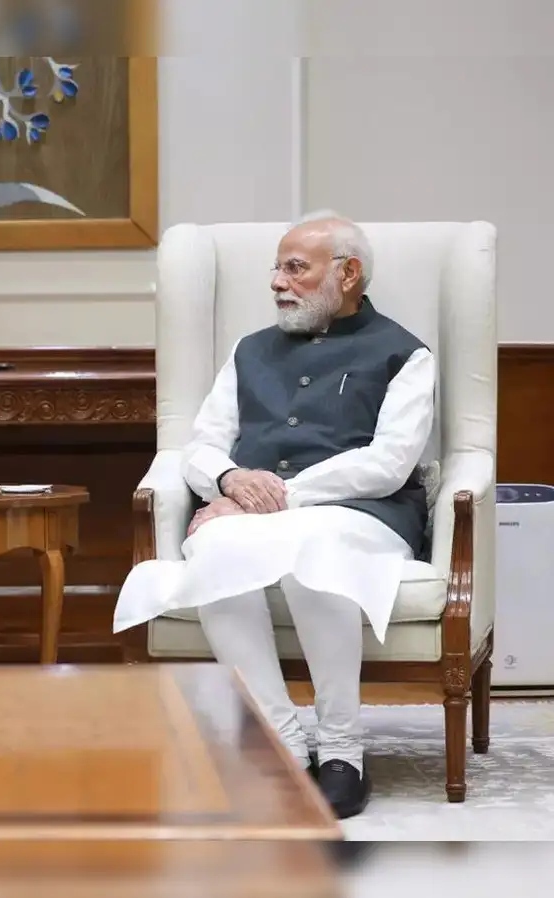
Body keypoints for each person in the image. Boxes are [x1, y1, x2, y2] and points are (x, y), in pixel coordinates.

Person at [113, 212, 436, 819]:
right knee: (215, 549)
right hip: (251, 512)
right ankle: (278, 741)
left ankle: (341, 752)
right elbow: (202, 445)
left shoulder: (405, 353)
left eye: (295, 268)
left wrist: (273, 496)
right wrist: (229, 480)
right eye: (276, 268)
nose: (277, 282)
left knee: (312, 550)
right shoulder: (250, 351)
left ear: (348, 273)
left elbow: (388, 463)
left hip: (361, 515)